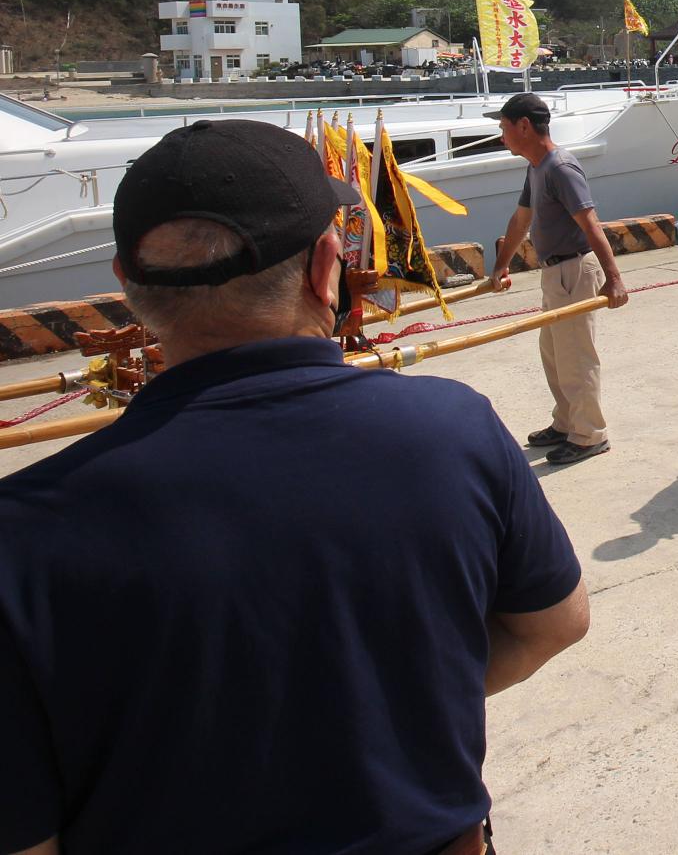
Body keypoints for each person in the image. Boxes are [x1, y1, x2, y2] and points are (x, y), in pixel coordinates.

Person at [0, 120, 588, 854]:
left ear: (129, 285)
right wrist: (385, 707)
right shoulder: (453, 430)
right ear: (326, 268)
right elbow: (556, 623)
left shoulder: (25, 532)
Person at [490, 92, 630, 465]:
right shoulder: (536, 167)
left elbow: (590, 223)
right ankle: (567, 422)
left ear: (524, 126)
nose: (502, 135)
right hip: (555, 272)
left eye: (504, 127)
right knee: (553, 353)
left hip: (574, 270)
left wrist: (614, 278)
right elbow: (521, 220)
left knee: (576, 357)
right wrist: (501, 265)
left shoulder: (560, 168)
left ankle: (590, 434)